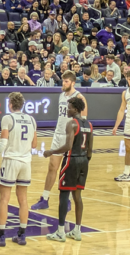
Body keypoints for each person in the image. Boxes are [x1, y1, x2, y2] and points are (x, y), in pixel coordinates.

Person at [0, 91, 38, 246]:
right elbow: (34, 144)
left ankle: (1, 236)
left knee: (4, 199)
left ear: (10, 103)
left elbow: (3, 143)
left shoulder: (7, 118)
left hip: (11, 161)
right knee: (23, 200)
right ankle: (22, 235)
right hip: (26, 162)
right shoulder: (31, 119)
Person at [33, 71, 85, 210]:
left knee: (67, 170)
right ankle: (44, 198)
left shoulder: (79, 97)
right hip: (58, 134)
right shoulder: (61, 95)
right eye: (63, 81)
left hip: (71, 136)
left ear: (73, 83)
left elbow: (83, 120)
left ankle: (66, 201)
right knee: (52, 167)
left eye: (66, 81)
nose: (64, 83)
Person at [44, 96, 93, 242]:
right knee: (77, 197)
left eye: (69, 107)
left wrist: (51, 151)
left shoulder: (72, 124)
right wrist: (84, 161)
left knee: (64, 196)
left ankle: (60, 231)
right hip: (84, 161)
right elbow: (90, 150)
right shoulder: (89, 125)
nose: (67, 109)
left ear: (76, 109)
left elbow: (68, 146)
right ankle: (77, 231)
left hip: (71, 161)